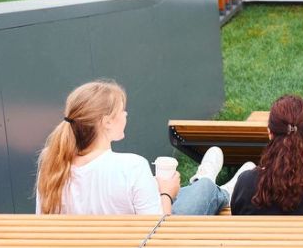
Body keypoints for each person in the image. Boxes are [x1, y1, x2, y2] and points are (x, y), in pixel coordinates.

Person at [35, 80, 226, 216]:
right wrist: (166, 193)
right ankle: (218, 188)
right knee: (204, 190)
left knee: (191, 193)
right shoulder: (132, 167)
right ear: (107, 122)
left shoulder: (52, 165)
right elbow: (159, 234)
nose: (125, 114)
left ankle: (207, 181)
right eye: (121, 110)